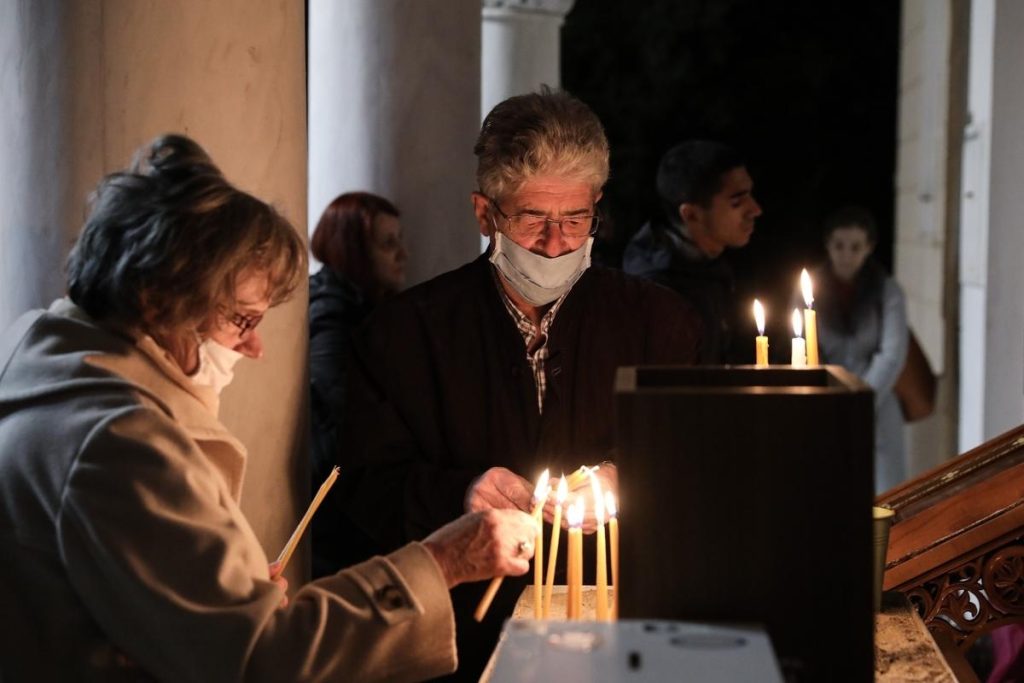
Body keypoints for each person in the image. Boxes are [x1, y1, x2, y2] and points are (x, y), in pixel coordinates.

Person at [0, 134, 538, 682]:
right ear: (158, 299)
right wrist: (442, 562)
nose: (255, 349)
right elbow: (258, 662)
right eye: (242, 320)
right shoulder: (122, 443)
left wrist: (226, 597)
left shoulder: (51, 367)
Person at [333, 90, 702, 680]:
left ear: (597, 207)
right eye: (533, 220)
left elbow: (703, 460)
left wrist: (624, 478)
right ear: (486, 215)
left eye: (576, 219)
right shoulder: (403, 337)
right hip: (462, 647)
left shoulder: (663, 325)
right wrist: (462, 493)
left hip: (622, 637)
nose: (556, 244)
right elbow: (361, 486)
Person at [308, 192, 407, 577]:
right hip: (339, 506)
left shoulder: (369, 309)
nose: (402, 254)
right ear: (354, 250)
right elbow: (343, 403)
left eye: (399, 241)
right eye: (387, 244)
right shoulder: (331, 312)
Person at [623, 140, 762, 363]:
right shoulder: (659, 293)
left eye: (751, 195)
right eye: (737, 202)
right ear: (691, 215)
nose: (755, 209)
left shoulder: (710, 265)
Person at [812, 205, 908, 494]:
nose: (846, 255)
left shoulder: (887, 290)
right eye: (839, 246)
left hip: (876, 400)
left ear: (869, 248)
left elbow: (892, 353)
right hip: (827, 403)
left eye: (855, 247)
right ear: (828, 245)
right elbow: (807, 347)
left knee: (884, 495)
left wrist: (862, 397)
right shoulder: (811, 291)